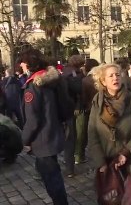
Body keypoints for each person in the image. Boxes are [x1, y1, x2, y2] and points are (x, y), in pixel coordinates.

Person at [18, 48, 69, 204]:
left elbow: (33, 120)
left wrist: (23, 140)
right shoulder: (49, 80)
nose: (20, 65)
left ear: (27, 64)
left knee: (52, 179)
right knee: (53, 174)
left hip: (43, 139)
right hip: (54, 133)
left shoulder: (34, 85)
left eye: (22, 62)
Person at [88, 63, 131, 178]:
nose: (115, 78)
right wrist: (101, 163)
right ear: (103, 81)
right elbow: (92, 133)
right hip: (107, 162)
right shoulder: (98, 102)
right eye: (111, 76)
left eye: (117, 75)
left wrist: (126, 152)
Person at [77, 58, 99, 165]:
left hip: (90, 109)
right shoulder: (102, 78)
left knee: (87, 133)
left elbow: (84, 98)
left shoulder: (85, 80)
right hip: (102, 108)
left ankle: (82, 155)